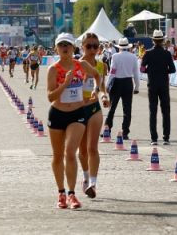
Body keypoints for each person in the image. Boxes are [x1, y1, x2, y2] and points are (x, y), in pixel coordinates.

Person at [46, 33, 103, 209]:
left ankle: (72, 194)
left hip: (77, 114)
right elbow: (50, 96)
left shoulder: (81, 65)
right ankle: (61, 192)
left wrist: (96, 89)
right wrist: (65, 83)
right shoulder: (53, 69)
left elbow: (97, 75)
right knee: (57, 155)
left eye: (68, 45)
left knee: (70, 152)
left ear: (73, 48)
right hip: (57, 113)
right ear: (56, 48)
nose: (65, 48)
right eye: (61, 45)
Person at [77, 32, 110, 198]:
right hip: (78, 109)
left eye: (95, 46)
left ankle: (93, 183)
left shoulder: (101, 66)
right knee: (82, 150)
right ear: (82, 46)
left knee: (92, 147)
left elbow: (102, 85)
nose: (92, 49)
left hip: (94, 108)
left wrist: (104, 96)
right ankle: (85, 177)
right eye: (88, 46)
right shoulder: (76, 64)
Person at [141, 30, 176, 145]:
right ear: (162, 41)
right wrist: (164, 70)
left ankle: (154, 138)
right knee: (166, 111)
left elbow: (141, 68)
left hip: (152, 85)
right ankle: (166, 137)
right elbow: (173, 69)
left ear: (153, 40)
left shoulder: (148, 53)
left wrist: (149, 70)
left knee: (153, 111)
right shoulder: (167, 54)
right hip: (164, 85)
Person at [105, 37, 140, 140]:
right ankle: (125, 132)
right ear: (128, 47)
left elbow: (112, 72)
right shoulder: (133, 57)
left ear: (119, 47)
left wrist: (107, 85)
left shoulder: (115, 56)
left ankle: (108, 129)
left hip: (117, 82)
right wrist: (136, 87)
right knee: (127, 109)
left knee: (112, 108)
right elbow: (136, 74)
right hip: (128, 82)